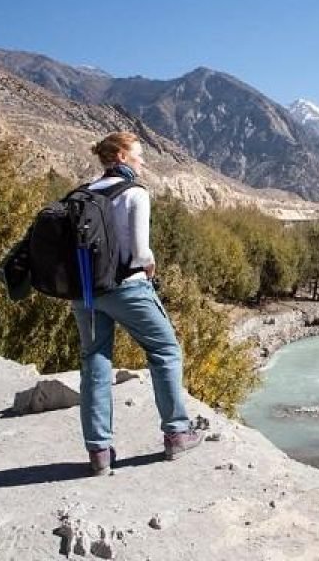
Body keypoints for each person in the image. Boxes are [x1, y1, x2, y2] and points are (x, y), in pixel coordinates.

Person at [74, 132, 202, 475]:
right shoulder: (134, 193)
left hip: (85, 293)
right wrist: (150, 264)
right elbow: (141, 252)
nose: (142, 162)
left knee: (95, 362)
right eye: (138, 155)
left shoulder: (82, 192)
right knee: (165, 351)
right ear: (120, 156)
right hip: (127, 288)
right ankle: (177, 433)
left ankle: (99, 452)